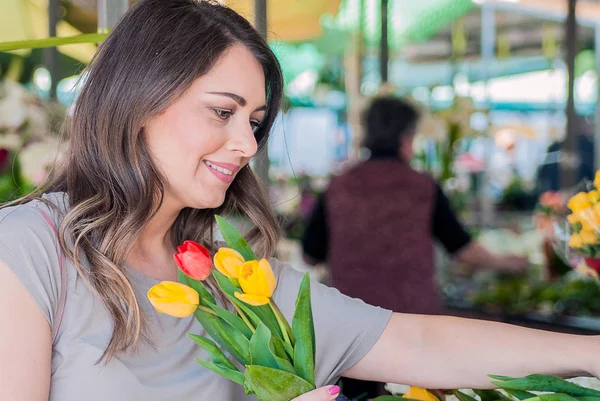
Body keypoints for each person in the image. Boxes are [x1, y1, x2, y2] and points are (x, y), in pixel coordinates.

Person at [0, 2, 597, 401]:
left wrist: (591, 354)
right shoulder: (29, 249)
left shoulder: (228, 274)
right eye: (223, 111)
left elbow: (417, 343)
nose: (246, 144)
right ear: (139, 100)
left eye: (256, 121)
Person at [302, 97, 530, 398]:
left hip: (350, 331)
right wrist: (508, 263)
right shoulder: (422, 186)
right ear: (406, 137)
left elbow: (310, 252)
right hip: (414, 331)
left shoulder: (338, 186)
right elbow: (461, 248)